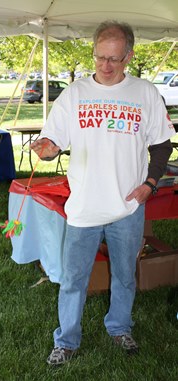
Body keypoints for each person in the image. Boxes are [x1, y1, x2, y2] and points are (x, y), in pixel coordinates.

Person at [31, 20, 176, 365]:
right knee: (73, 280)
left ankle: (120, 327)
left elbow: (162, 146)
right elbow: (54, 142)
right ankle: (66, 340)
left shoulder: (145, 93)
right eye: (100, 58)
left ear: (129, 55)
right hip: (83, 209)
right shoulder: (75, 93)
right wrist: (47, 147)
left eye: (114, 59)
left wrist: (149, 185)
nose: (107, 67)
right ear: (94, 52)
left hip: (127, 207)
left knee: (125, 276)